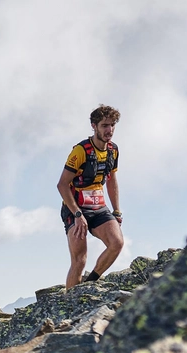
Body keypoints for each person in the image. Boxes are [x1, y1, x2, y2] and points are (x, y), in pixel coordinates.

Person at [57, 104, 125, 289]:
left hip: (98, 206)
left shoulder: (113, 150)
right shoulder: (80, 151)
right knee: (79, 260)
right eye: (104, 125)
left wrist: (117, 211)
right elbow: (62, 185)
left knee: (117, 243)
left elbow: (111, 181)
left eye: (112, 125)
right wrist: (77, 215)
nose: (109, 130)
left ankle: (89, 285)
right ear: (94, 126)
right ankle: (70, 305)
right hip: (75, 207)